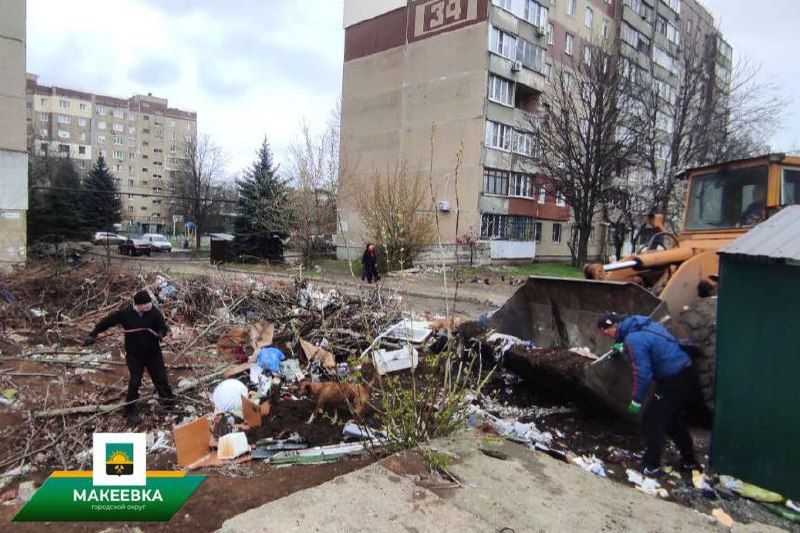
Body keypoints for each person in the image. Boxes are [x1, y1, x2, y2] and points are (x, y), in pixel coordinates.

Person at [597, 312, 699, 477]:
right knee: (673, 420)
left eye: (605, 332)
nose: (606, 336)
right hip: (686, 371)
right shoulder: (642, 325)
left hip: (674, 379)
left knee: (653, 419)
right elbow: (652, 344)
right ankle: (689, 461)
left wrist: (637, 400)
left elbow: (643, 374)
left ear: (613, 328)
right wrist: (624, 348)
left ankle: (651, 466)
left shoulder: (633, 340)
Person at [84, 290, 175, 425]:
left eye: (149, 303)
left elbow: (163, 328)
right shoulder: (126, 313)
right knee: (135, 382)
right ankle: (130, 410)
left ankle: (169, 403)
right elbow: (108, 321)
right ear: (137, 305)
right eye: (145, 304)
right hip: (134, 356)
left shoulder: (154, 312)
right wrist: (93, 334)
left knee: (161, 378)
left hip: (153, 354)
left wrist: (160, 334)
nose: (148, 306)